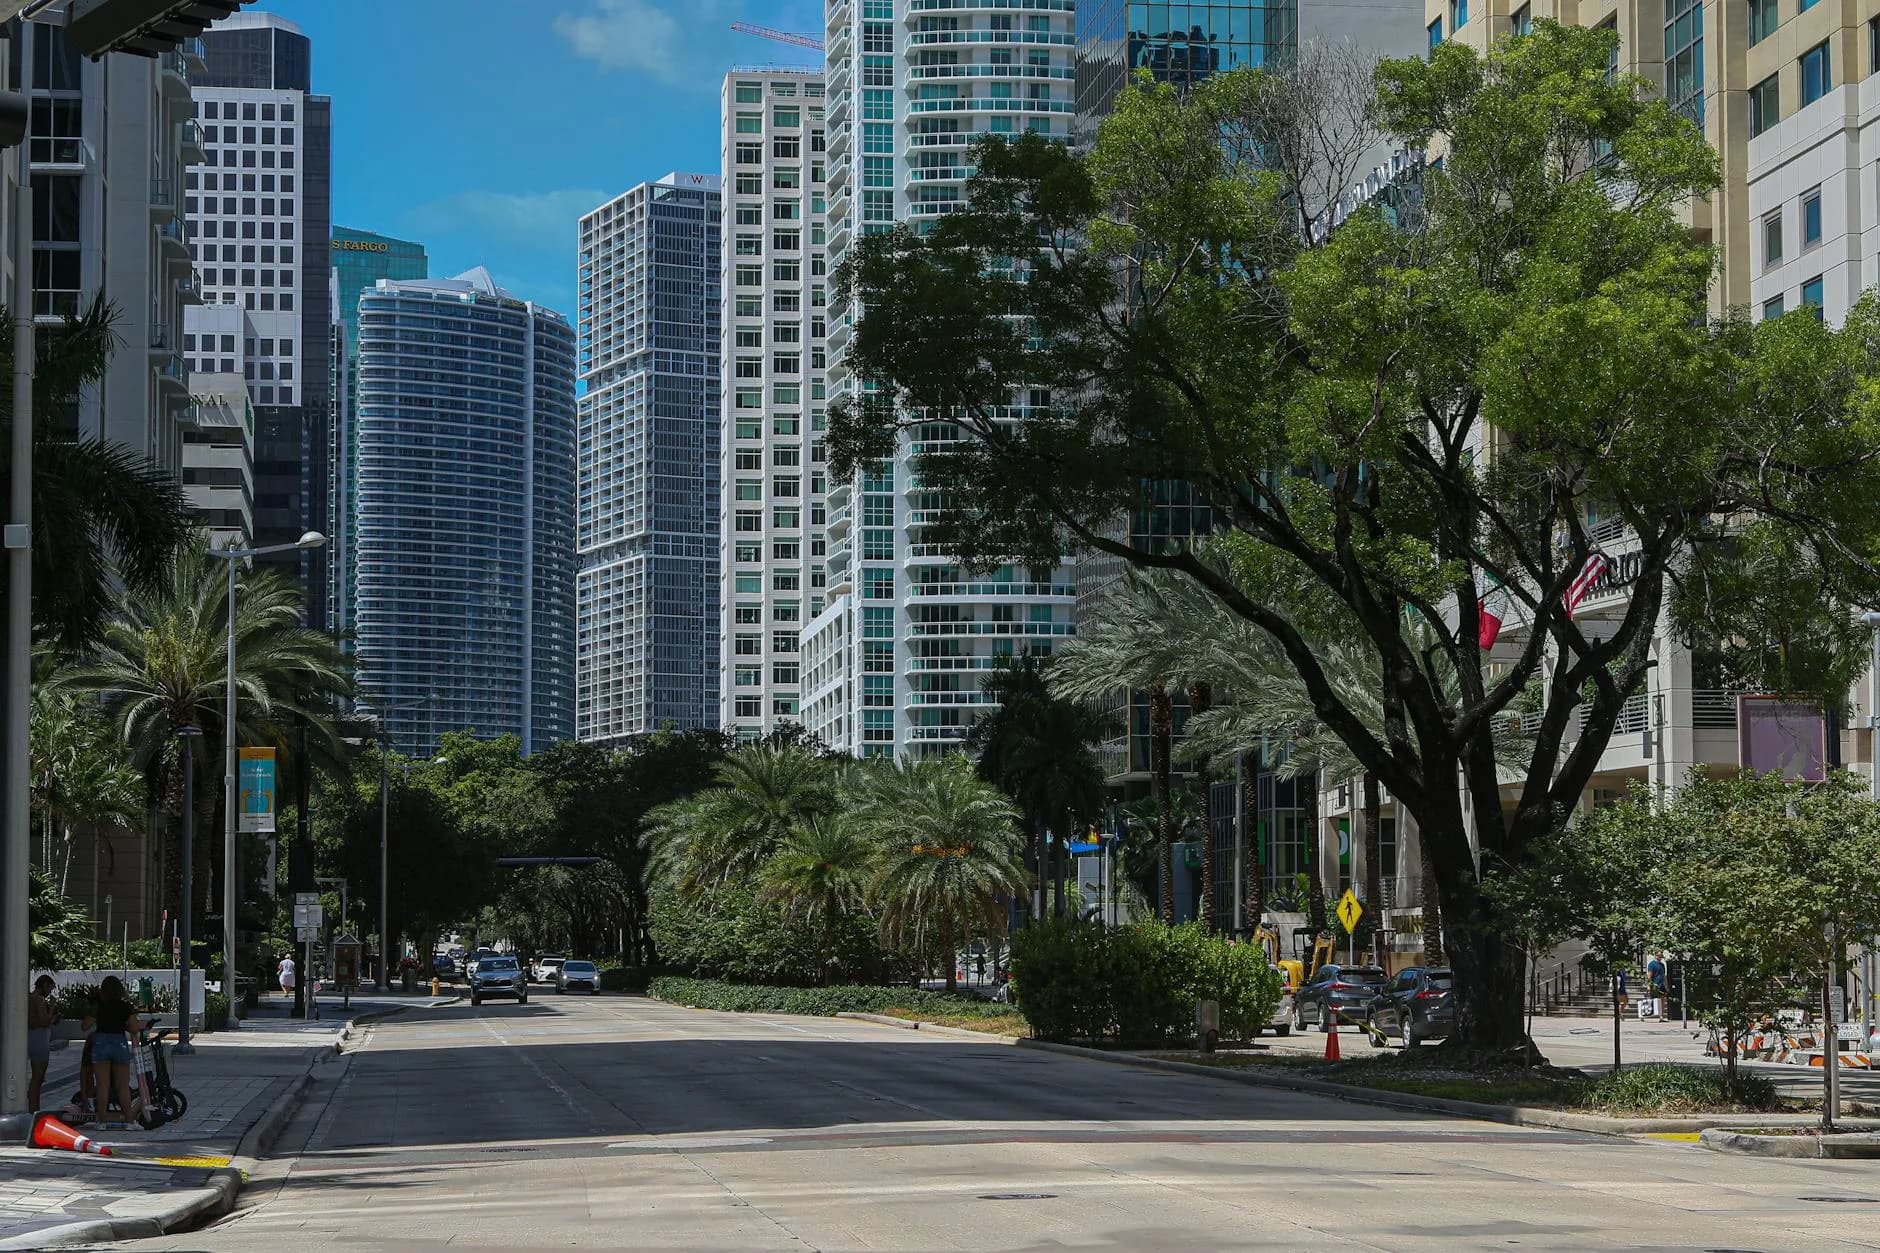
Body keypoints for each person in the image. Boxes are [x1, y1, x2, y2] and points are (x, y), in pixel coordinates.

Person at [87, 976, 141, 1130]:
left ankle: (102, 1122)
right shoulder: (125, 1007)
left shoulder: (99, 1006)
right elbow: (134, 1029)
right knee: (122, 1086)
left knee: (103, 1085)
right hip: (119, 1043)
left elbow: (85, 1025)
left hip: (101, 1043)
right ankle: (130, 1122)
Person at [27, 975, 58, 1111]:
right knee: (38, 1077)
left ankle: (33, 1106)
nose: (49, 992)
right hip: (39, 1039)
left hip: (33, 1036)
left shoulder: (28, 998)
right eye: (49, 989)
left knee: (37, 1076)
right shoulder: (38, 999)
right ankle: (34, 1109)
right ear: (45, 985)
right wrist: (51, 1007)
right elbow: (44, 1021)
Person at [1646, 953, 1669, 1022]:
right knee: (1654, 1000)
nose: (1660, 958)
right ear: (1655, 956)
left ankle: (1661, 1016)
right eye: (1659, 956)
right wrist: (1649, 985)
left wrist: (1666, 985)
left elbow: (1664, 976)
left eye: (1661, 957)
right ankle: (1649, 1013)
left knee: (1662, 1000)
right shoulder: (1652, 964)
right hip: (1655, 984)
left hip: (1661, 984)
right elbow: (1649, 975)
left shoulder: (1662, 965)